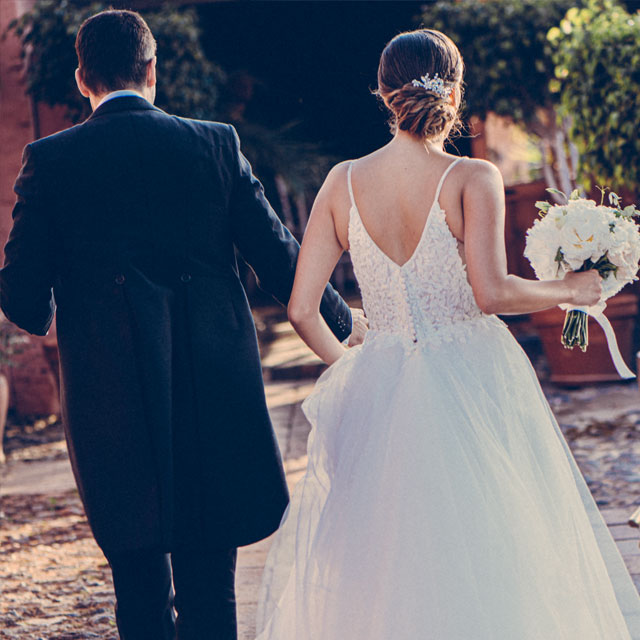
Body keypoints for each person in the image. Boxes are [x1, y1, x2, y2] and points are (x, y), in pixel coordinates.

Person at [255, 28, 640, 639]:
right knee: (497, 541)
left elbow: (303, 308)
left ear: (383, 94)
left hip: (381, 381)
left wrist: (349, 364)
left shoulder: (341, 182)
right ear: (455, 93)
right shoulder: (472, 176)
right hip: (473, 374)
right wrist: (571, 289)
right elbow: (492, 293)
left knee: (388, 556)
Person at [0, 9, 366, 640]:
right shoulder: (214, 144)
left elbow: (26, 303)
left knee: (137, 579)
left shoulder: (49, 161)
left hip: (109, 396)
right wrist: (346, 320)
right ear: (153, 70)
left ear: (83, 79)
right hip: (212, 384)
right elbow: (280, 255)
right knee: (209, 574)